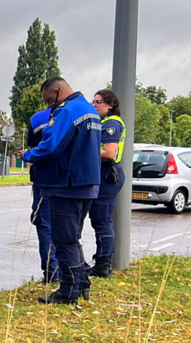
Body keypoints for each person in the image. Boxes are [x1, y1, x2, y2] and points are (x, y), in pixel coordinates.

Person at [20, 77, 101, 305]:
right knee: (73, 238)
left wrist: (28, 155)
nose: (49, 107)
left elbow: (50, 147)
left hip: (66, 184)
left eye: (49, 100)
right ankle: (81, 283)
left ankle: (68, 291)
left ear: (57, 91)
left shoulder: (67, 111)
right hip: (86, 184)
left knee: (63, 240)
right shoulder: (89, 109)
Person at [88, 89, 126, 278]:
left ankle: (103, 264)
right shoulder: (102, 122)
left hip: (108, 174)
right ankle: (101, 260)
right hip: (103, 174)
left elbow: (110, 153)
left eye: (98, 102)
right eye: (93, 101)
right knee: (98, 219)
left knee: (102, 220)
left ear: (110, 104)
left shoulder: (111, 124)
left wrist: (84, 152)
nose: (94, 105)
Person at [27, 106, 59, 284]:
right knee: (68, 225)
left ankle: (52, 272)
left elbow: (33, 149)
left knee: (44, 224)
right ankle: (69, 269)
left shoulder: (38, 118)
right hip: (71, 178)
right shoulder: (79, 114)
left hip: (44, 178)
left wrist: (27, 156)